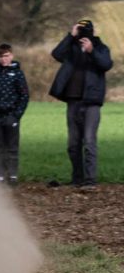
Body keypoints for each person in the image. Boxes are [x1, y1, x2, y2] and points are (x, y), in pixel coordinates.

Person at [49, 18, 114, 188]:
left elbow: (107, 64)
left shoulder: (100, 47)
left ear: (92, 32)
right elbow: (56, 54)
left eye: (86, 30)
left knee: (89, 141)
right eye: (80, 30)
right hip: (73, 101)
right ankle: (77, 179)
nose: (83, 34)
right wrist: (70, 36)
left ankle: (90, 181)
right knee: (73, 144)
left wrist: (91, 51)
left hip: (91, 102)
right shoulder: (71, 47)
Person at [0, 44, 29, 186]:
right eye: (1, 56)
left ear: (12, 56)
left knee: (12, 147)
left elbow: (24, 96)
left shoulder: (18, 73)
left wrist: (16, 115)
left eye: (6, 56)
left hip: (11, 115)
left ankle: (13, 175)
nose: (4, 59)